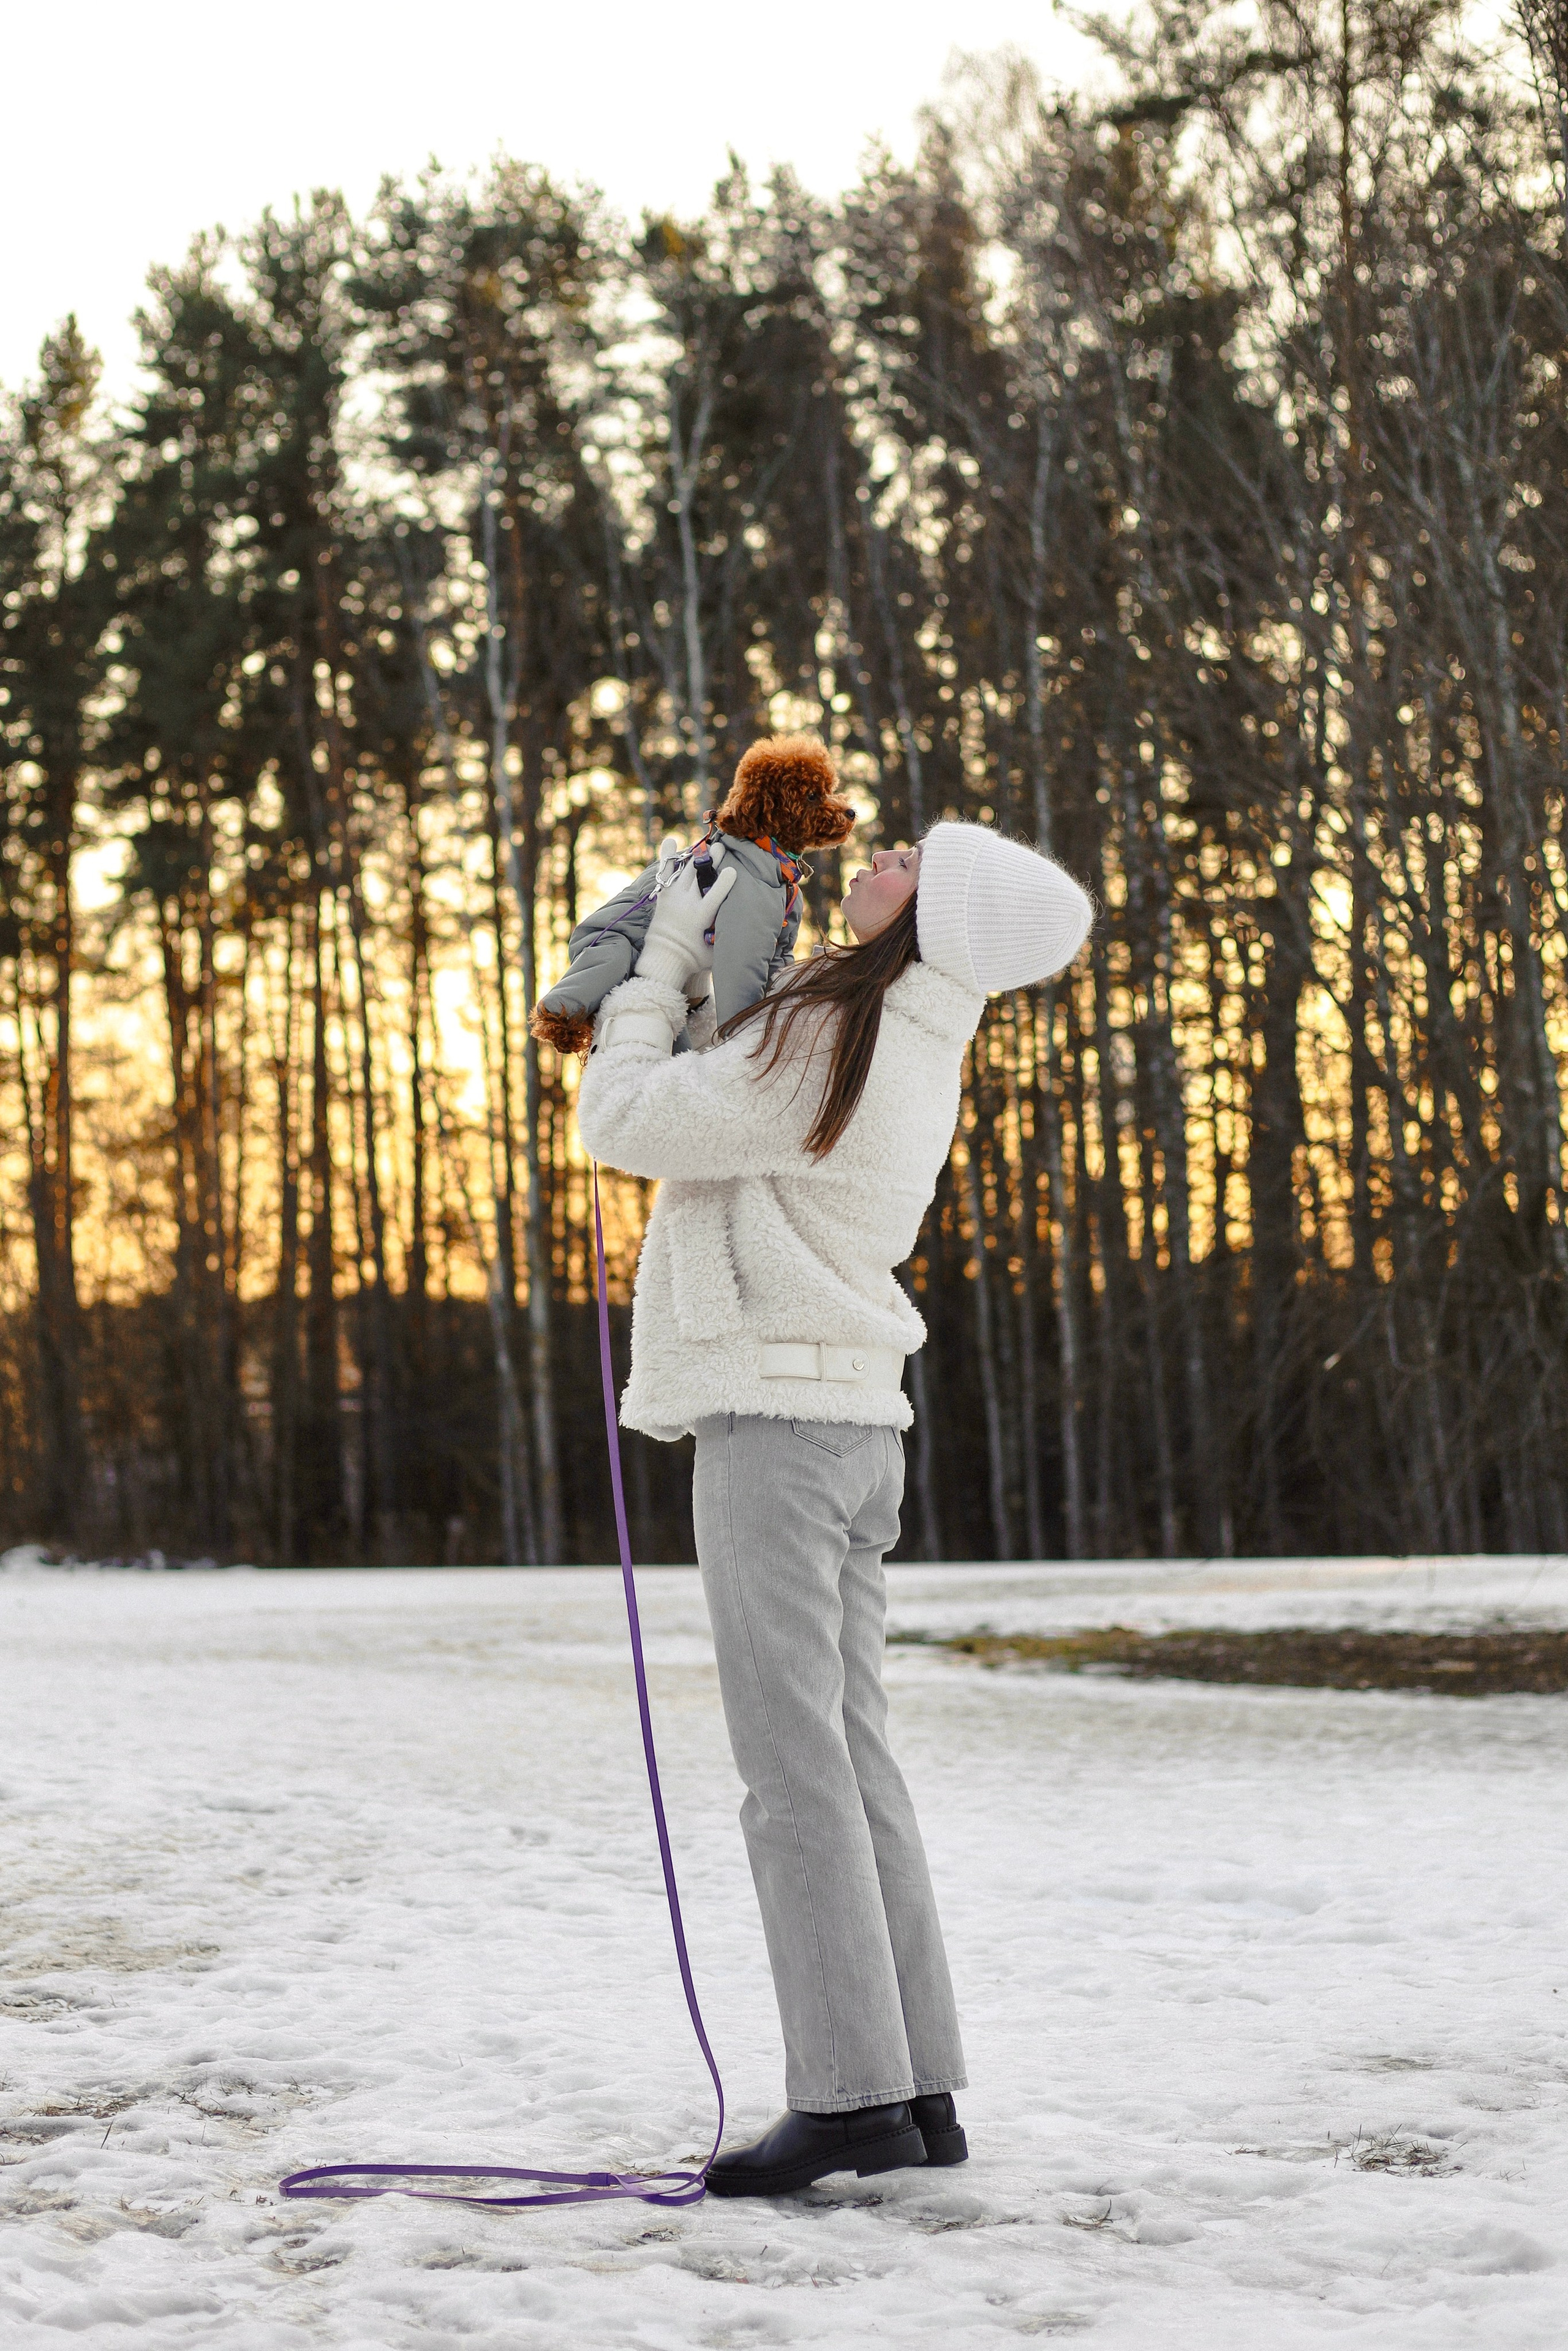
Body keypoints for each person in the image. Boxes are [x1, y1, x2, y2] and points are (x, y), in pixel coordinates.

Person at [576, 819, 1093, 2198]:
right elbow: (728, 1105)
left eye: (910, 859)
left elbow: (624, 1119)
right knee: (854, 1763)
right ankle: (914, 2089)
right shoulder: (905, 1036)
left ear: (934, 916)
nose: (879, 852)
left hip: (780, 1428)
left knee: (794, 1772)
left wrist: (660, 962)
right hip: (853, 1427)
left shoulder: (830, 1035)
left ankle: (852, 2098)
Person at [530, 735, 855, 1058]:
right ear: (771, 810)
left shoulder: (780, 882)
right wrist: (749, 1048)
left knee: (684, 1054)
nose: (840, 807)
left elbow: (777, 964)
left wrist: (790, 1009)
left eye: (828, 793)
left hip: (680, 981)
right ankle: (559, 1012)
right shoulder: (746, 881)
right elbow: (740, 977)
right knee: (662, 1035)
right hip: (618, 941)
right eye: (813, 797)